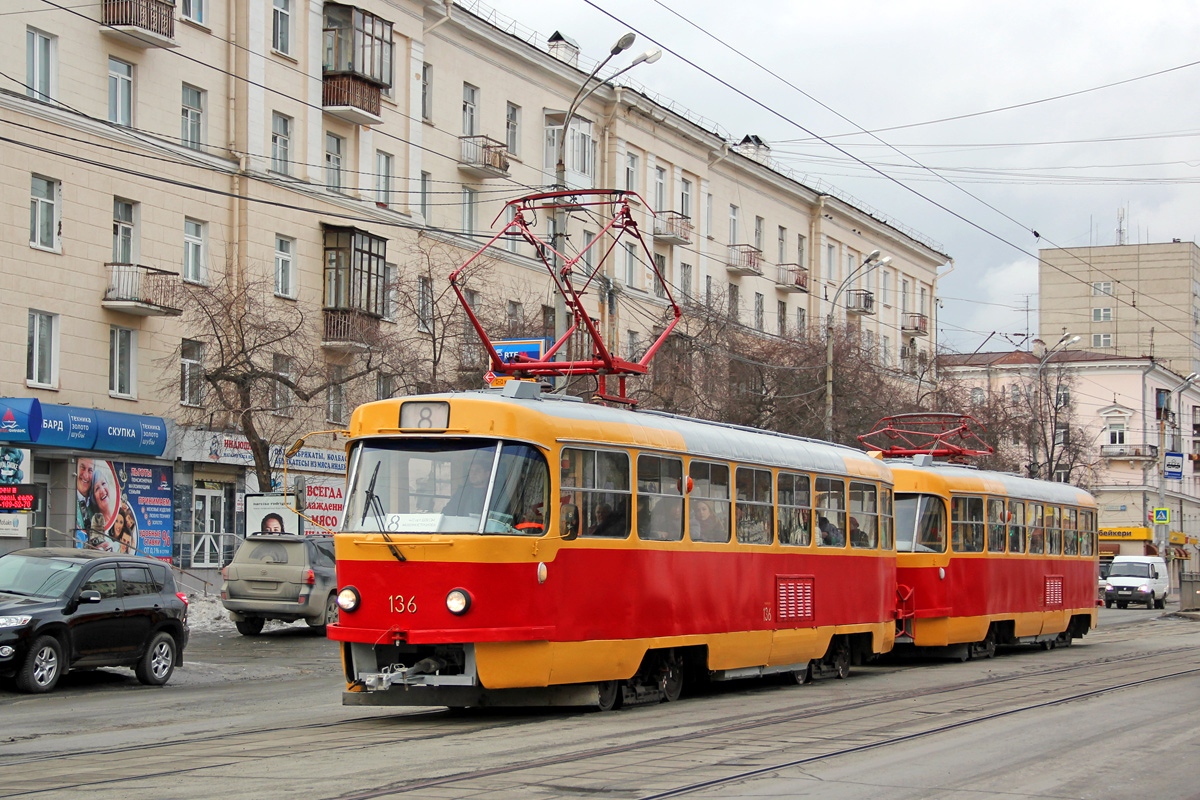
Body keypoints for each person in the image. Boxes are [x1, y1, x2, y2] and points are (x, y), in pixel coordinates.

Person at [75, 458, 95, 534]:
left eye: (90, 470)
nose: (86, 475)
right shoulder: (70, 501)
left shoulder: (94, 504)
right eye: (82, 468)